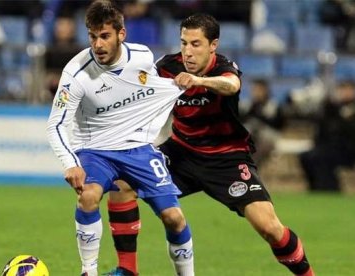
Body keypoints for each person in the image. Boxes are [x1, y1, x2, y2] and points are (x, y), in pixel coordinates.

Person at [105, 13, 315, 276]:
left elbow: (232, 85)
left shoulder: (223, 68)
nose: (188, 52)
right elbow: (138, 88)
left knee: (270, 228)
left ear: (213, 45)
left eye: (195, 44)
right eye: (183, 43)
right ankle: (127, 270)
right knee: (122, 184)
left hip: (226, 158)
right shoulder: (167, 67)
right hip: (180, 153)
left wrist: (199, 81)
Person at [46, 1, 194, 276]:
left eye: (105, 36)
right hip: (95, 150)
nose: (98, 44)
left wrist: (180, 83)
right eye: (92, 36)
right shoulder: (76, 73)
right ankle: (88, 271)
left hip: (138, 149)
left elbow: (154, 87)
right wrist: (70, 163)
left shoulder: (142, 57)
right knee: (88, 197)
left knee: (174, 218)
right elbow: (55, 124)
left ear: (121, 34)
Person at [299, 80, 355, 191]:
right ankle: (314, 187)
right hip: (329, 147)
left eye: (349, 89)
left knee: (321, 158)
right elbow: (323, 129)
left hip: (347, 150)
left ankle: (329, 188)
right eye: (343, 89)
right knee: (306, 156)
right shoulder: (332, 108)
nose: (345, 93)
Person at [240, 78, 285, 165]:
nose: (256, 93)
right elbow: (241, 121)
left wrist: (260, 117)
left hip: (268, 137)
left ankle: (251, 166)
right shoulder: (248, 105)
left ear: (266, 91)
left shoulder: (274, 106)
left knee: (261, 144)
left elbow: (279, 125)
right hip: (252, 136)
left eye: (259, 90)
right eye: (254, 90)